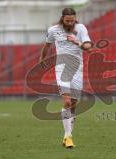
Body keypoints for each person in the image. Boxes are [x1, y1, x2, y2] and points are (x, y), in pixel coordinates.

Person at [39, 8, 92, 148]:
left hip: (77, 69)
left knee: (73, 105)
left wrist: (77, 42)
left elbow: (89, 47)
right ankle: (69, 137)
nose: (70, 23)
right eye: (67, 20)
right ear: (62, 18)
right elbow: (47, 45)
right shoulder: (53, 30)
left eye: (72, 20)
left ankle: (66, 135)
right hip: (61, 69)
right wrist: (41, 59)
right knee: (67, 102)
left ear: (75, 19)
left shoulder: (81, 28)